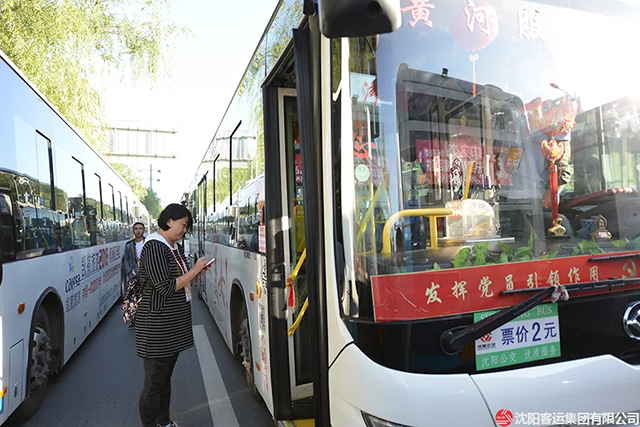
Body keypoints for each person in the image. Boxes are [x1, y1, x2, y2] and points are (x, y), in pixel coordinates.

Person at [135, 204, 209, 427]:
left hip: (170, 328)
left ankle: (164, 422)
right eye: (183, 225)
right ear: (169, 221)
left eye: (187, 227)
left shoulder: (172, 247)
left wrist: (194, 274)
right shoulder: (154, 247)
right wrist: (193, 271)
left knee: (164, 380)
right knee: (154, 384)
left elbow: (180, 282)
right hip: (157, 329)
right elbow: (165, 287)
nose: (185, 230)